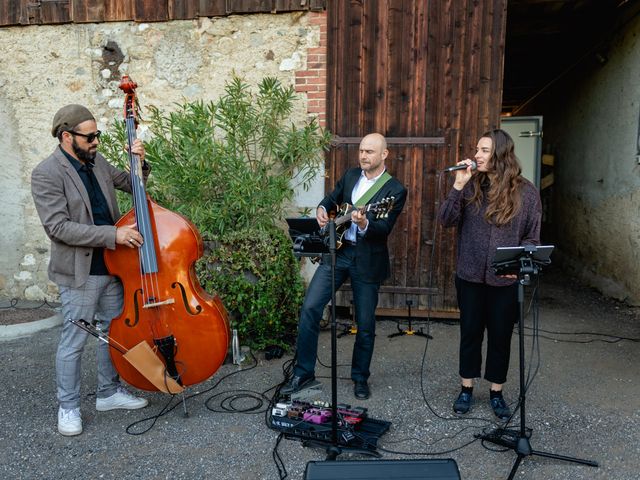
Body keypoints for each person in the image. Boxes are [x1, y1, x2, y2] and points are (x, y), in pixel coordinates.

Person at [31, 104, 150, 436]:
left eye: (97, 134)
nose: (96, 141)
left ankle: (108, 393)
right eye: (91, 136)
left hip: (114, 265)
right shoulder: (46, 173)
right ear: (67, 137)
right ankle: (67, 407)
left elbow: (133, 185)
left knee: (112, 333)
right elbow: (59, 227)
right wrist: (114, 234)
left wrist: (139, 160)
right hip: (80, 271)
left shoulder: (96, 162)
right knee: (75, 340)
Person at [281, 133, 407, 400]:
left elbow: (384, 228)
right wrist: (321, 208)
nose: (363, 156)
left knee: (365, 323)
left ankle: (360, 377)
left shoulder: (394, 190)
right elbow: (332, 198)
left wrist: (364, 223)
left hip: (367, 259)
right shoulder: (350, 176)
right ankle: (304, 373)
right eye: (361, 150)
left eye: (370, 152)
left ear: (384, 154)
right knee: (310, 308)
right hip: (338, 253)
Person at [438, 128, 542, 420]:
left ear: (500, 154)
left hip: (504, 280)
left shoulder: (527, 192)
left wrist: (517, 268)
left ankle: (496, 391)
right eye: (477, 149)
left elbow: (532, 238)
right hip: (469, 275)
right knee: (470, 332)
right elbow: (446, 220)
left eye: (484, 150)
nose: (476, 155)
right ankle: (466, 388)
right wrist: (458, 185)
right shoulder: (470, 186)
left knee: (501, 336)